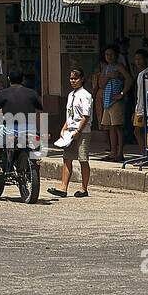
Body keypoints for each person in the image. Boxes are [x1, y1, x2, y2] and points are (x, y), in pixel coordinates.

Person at [50, 67, 94, 198]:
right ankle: (63, 187)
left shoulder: (85, 95)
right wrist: (64, 128)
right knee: (67, 158)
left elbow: (86, 116)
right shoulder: (70, 95)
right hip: (70, 131)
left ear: (82, 79)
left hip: (82, 131)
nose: (73, 81)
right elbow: (70, 115)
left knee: (83, 159)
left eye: (76, 78)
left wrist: (79, 131)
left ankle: (83, 188)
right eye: (71, 78)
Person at [94, 44, 131, 162]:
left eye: (111, 54)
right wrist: (109, 76)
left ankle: (120, 152)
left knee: (118, 127)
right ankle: (112, 152)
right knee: (110, 128)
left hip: (116, 101)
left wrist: (122, 93)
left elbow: (129, 79)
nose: (109, 57)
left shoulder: (119, 67)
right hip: (107, 101)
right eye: (107, 54)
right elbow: (101, 84)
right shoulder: (106, 69)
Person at [130, 47, 148, 159]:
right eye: (136, 59)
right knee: (139, 131)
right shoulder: (140, 74)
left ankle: (146, 156)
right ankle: (145, 155)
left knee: (140, 131)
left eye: (140, 59)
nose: (138, 62)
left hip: (147, 108)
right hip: (139, 107)